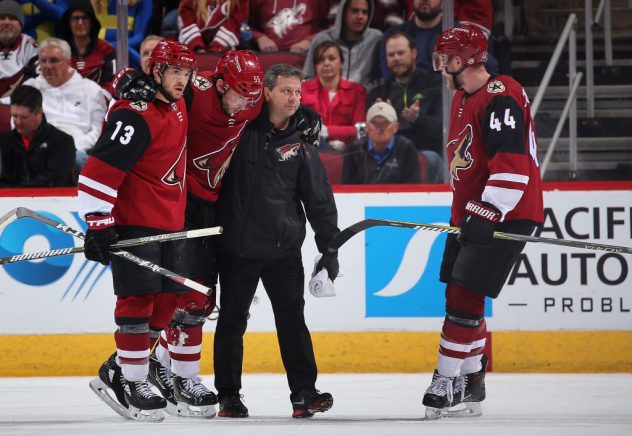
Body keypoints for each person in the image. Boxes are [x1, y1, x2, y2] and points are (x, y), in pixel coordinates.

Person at [421, 25, 543, 419]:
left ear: (464, 59)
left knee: (464, 296)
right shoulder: (462, 96)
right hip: (474, 212)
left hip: (505, 212)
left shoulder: (500, 95)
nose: (440, 64)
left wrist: (491, 208)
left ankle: (446, 377)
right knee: (460, 294)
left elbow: (513, 162)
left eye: (446, 57)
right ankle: (472, 376)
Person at [79, 40, 199, 422]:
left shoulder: (179, 102)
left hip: (172, 222)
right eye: (175, 72)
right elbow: (96, 174)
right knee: (137, 302)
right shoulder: (134, 114)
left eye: (186, 72)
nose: (183, 80)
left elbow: (220, 86)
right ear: (157, 71)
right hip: (136, 220)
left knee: (166, 304)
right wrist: (98, 224)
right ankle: (132, 379)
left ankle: (119, 367)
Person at [213, 63, 340, 419]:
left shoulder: (302, 141)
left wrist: (329, 247)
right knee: (232, 322)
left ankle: (304, 392)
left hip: (283, 250)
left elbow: (318, 198)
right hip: (237, 248)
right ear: (266, 93)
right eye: (286, 91)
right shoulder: (238, 130)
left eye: (298, 92)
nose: (294, 98)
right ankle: (229, 397)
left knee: (292, 320)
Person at [17, 38, 110, 171]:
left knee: (79, 159)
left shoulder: (91, 90)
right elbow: (17, 124)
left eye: (54, 60)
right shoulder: (29, 88)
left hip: (77, 149)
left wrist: (70, 146)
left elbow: (98, 130)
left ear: (68, 62)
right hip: (36, 147)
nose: (47, 66)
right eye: (43, 61)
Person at [369, 32, 443, 161]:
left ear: (414, 53)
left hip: (424, 151)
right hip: (389, 152)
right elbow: (369, 133)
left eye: (401, 53)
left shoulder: (435, 85)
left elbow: (443, 129)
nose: (396, 58)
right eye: (391, 55)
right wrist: (383, 119)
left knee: (430, 159)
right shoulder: (378, 92)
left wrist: (417, 119)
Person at [0, 85, 75, 187]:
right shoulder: (4, 141)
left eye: (23, 117)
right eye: (14, 116)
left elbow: (55, 180)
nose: (18, 122)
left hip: (52, 200)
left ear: (39, 113)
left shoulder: (62, 142)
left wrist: (19, 192)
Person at [301, 40, 366, 150]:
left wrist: (327, 131)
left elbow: (360, 130)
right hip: (311, 150)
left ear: (341, 63)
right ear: (315, 65)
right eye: (321, 60)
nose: (326, 63)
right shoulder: (302, 90)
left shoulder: (357, 90)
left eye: (332, 58)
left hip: (348, 150)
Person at [303, 0, 382, 87]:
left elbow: (381, 79)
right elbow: (308, 77)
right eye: (354, 11)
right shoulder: (321, 39)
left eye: (365, 12)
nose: (360, 16)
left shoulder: (376, 38)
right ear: (343, 13)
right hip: (327, 96)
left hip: (364, 97)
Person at [342, 101, 420, 184]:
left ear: (395, 127)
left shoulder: (407, 148)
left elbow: (412, 188)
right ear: (367, 127)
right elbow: (347, 189)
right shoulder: (354, 149)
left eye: (386, 123)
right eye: (374, 123)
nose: (380, 128)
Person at [58, 0, 116, 89]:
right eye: (76, 18)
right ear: (69, 23)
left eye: (84, 18)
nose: (80, 23)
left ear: (92, 22)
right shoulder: (59, 50)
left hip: (98, 99)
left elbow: (111, 84)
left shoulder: (106, 50)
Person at [248, 0, 331, 54]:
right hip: (267, 53)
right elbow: (246, 25)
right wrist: (260, 38)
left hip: (305, 54)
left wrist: (310, 41)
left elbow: (328, 26)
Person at [0, 0, 38, 97]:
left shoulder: (29, 45)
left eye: (12, 18)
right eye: (2, 18)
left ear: (20, 25)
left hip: (19, 104)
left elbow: (36, 77)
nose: (6, 22)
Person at [177, 0, 247, 53]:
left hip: (220, 52)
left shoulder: (238, 2)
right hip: (195, 51)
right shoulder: (191, 2)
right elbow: (187, 21)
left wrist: (214, 51)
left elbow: (234, 26)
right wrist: (198, 48)